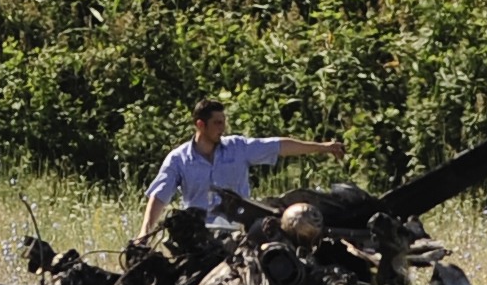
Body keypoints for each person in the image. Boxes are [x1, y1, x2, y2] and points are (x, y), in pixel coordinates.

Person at [140, 99, 344, 235]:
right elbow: (159, 196)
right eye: (217, 123)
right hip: (199, 235)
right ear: (201, 125)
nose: (223, 128)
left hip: (239, 233)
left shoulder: (238, 148)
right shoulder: (178, 159)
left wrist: (322, 148)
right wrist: (144, 233)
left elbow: (279, 146)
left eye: (223, 122)